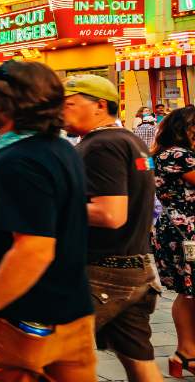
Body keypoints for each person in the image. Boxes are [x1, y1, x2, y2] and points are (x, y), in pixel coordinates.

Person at [0, 61, 96, 381]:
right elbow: (41, 206)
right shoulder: (59, 149)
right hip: (71, 317)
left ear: (9, 103)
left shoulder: (18, 161)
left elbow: (34, 249)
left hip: (14, 323)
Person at [61, 74, 161, 382]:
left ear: (100, 106)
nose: (60, 112)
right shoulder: (130, 141)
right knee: (138, 360)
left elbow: (110, 214)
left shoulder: (103, 145)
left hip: (102, 274)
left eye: (69, 104)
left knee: (42, 353)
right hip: (133, 269)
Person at [152, 106, 195, 376]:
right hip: (186, 230)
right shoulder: (178, 155)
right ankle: (187, 352)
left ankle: (185, 353)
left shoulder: (167, 153)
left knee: (188, 291)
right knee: (189, 290)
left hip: (177, 229)